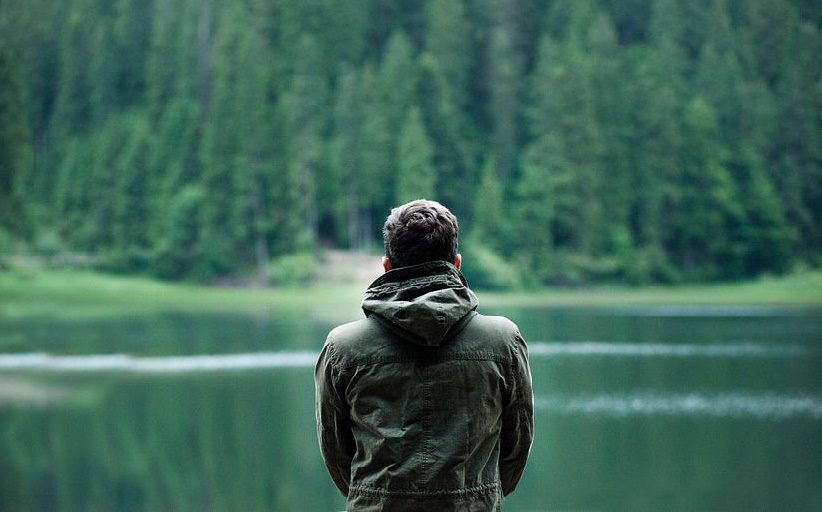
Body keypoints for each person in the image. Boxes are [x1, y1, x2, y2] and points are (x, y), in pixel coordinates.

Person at [315, 199, 533, 511]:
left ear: (387, 266)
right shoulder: (503, 340)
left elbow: (336, 451)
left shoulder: (343, 347)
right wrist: (479, 497)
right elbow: (517, 444)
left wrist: (375, 497)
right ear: (456, 263)